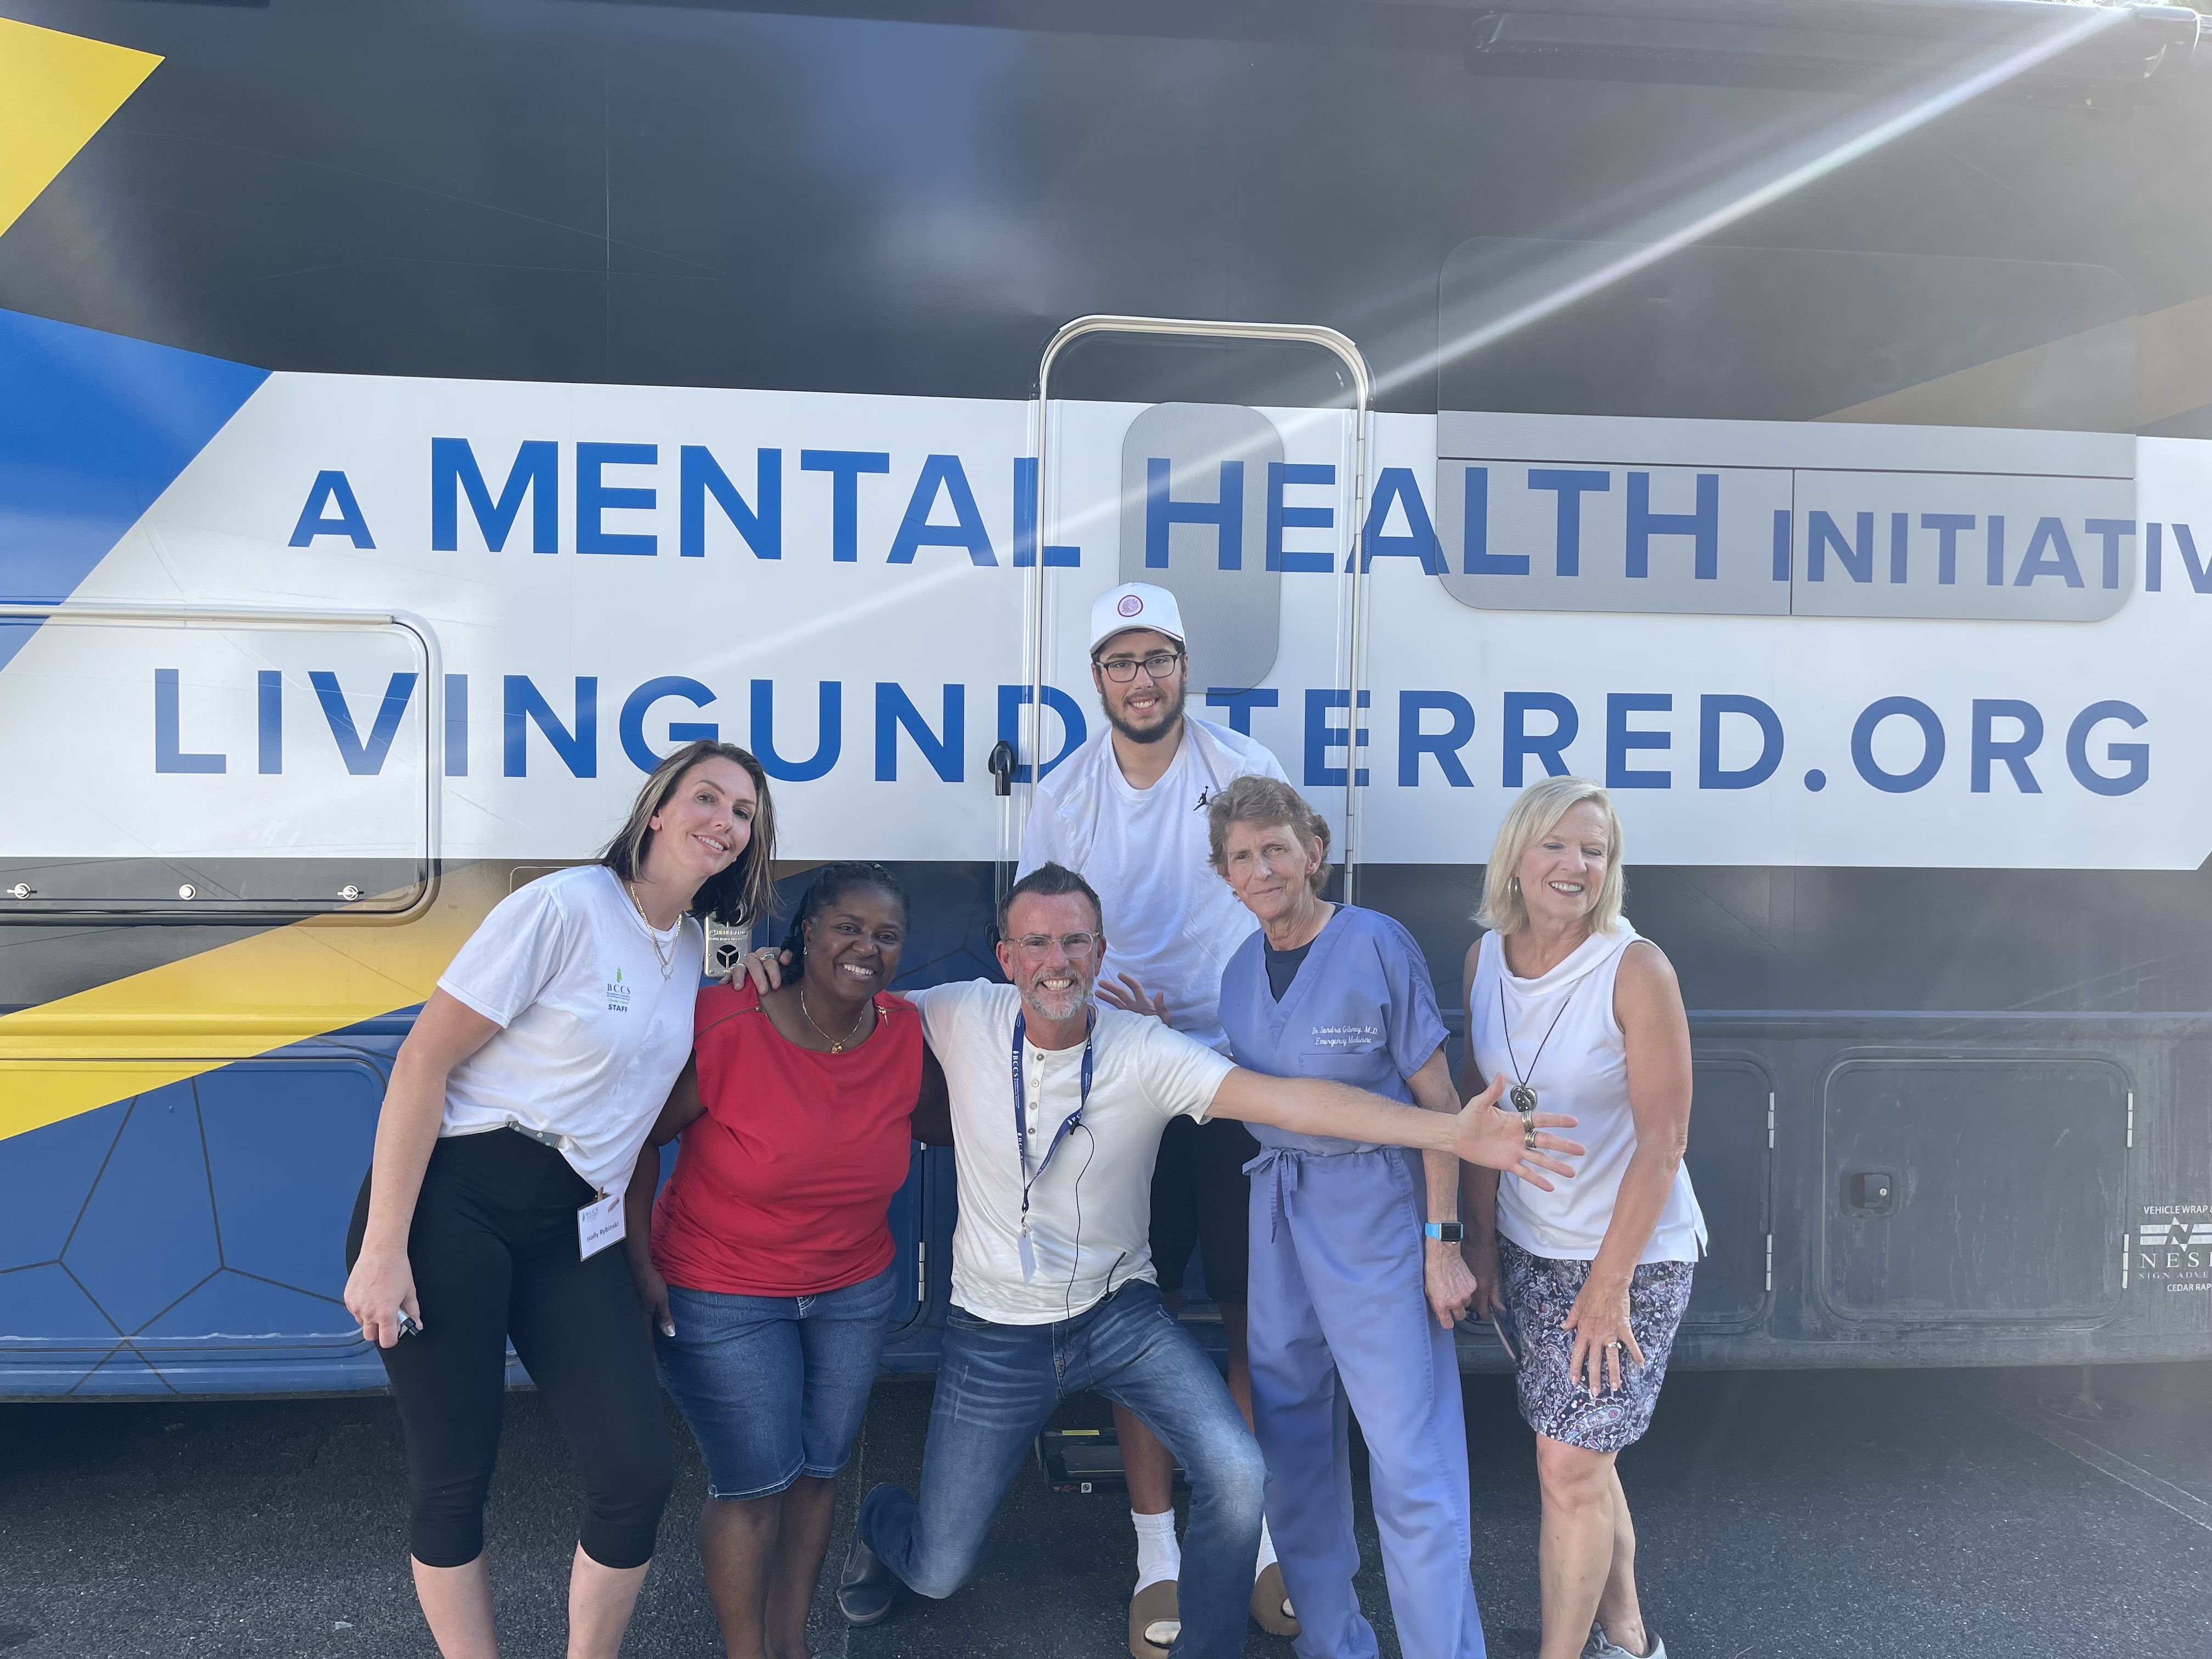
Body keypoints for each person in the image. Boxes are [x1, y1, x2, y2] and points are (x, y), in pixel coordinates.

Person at [830, 862, 1583, 1659]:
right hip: (994, 1331)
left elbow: (1294, 1101)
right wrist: (768, 972)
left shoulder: (1143, 1049)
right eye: (1037, 943)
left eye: (1076, 942)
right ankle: (882, 1520)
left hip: (1116, 1316)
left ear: (1101, 952)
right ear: (1006, 956)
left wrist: (1448, 1131)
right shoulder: (956, 1014)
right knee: (938, 1569)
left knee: (1238, 1472)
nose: (1057, 961)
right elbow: (845, 999)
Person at [341, 738, 777, 1659]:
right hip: (454, 1202)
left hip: (576, 1226)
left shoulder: (692, 950)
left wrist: (638, 1261)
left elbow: (644, 1104)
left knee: (636, 1473)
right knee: (453, 1476)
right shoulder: (566, 905)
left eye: (744, 813)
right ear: (657, 811)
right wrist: (384, 1249)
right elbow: (421, 1062)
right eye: (707, 797)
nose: (725, 822)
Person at [1017, 579, 1293, 1656]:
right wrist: (1099, 1010)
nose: (1143, 680)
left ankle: (1257, 1536)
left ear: (1184, 667)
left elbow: (1286, 910)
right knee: (1141, 1317)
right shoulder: (1067, 793)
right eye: (1122, 663)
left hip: (1234, 1075)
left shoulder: (1244, 767)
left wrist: (1236, 1013)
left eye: (1159, 659)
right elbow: (1042, 936)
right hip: (1124, 1077)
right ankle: (1157, 1554)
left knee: (1254, 1318)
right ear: (1098, 679)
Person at [621, 861, 951, 1659]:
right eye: (847, 927)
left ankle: (790, 1643)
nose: (866, 947)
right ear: (806, 933)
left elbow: (949, 1125)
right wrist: (638, 1270)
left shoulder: (904, 1031)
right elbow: (635, 1142)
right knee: (755, 1483)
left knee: (819, 1472)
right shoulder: (727, 1021)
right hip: (721, 1288)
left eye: (887, 935)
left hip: (852, 1290)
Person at [1208, 775, 1486, 1659]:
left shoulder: (1374, 944)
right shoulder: (1237, 973)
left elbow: (1440, 1104)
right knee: (1291, 1451)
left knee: (1409, 1458)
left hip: (1377, 1210)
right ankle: (1332, 1642)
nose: (1261, 868)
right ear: (1226, 875)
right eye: (1242, 856)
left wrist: (1443, 1242)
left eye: (1276, 849)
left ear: (1313, 854)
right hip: (1278, 1213)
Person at [1462, 778, 1705, 1659]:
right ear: (1516, 859)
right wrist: (1481, 1241)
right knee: (1580, 1455)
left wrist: (1607, 1288)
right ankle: (1631, 1637)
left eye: (1595, 851)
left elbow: (1664, 1141)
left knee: (1568, 1463)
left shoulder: (1635, 969)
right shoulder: (1485, 960)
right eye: (1557, 846)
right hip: (1531, 1245)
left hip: (1629, 1258)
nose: (1576, 866)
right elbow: (1481, 1116)